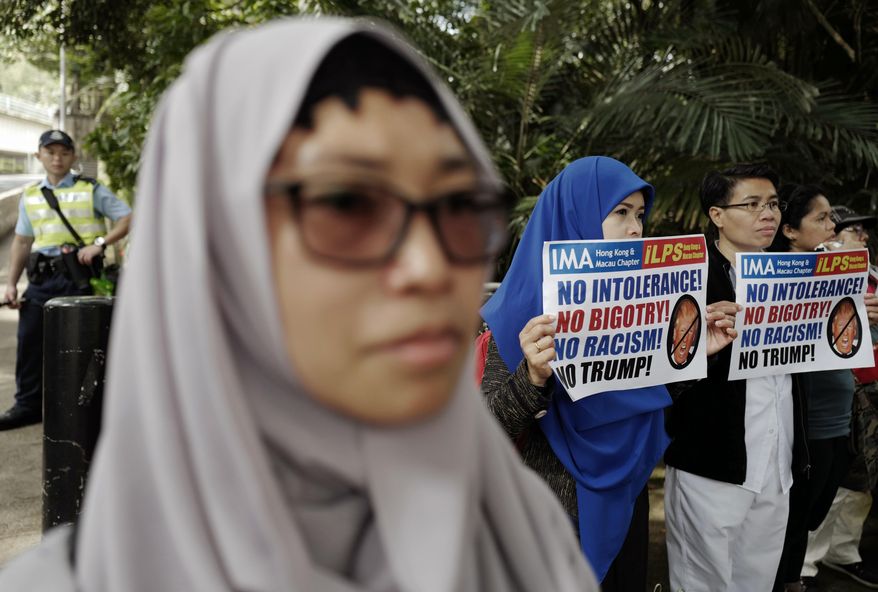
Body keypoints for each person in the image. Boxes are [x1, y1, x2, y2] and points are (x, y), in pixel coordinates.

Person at [0, 19, 597, 591]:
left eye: (458, 206)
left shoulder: (525, 539)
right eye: (345, 204)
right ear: (212, 247)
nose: (429, 265)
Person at [480, 156, 737, 591]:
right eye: (620, 213)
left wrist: (695, 354)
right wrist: (532, 378)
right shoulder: (514, 316)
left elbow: (644, 394)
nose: (636, 228)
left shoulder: (640, 309)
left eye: (639, 215)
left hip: (627, 499)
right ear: (575, 214)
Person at [664, 164, 810, 592]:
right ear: (717, 215)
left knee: (758, 580)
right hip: (710, 462)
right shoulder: (686, 277)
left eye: (773, 204)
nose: (769, 214)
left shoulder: (797, 275)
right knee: (702, 582)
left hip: (777, 459)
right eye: (752, 204)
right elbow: (661, 374)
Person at [0, 130, 132, 431]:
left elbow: (127, 217)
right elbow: (21, 242)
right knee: (30, 343)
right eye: (50, 152)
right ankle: (28, 405)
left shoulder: (91, 189)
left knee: (88, 345)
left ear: (73, 157)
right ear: (39, 156)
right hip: (41, 280)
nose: (57, 158)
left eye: (63, 152)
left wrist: (99, 242)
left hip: (80, 279)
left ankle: (92, 409)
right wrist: (11, 283)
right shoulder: (31, 196)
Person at [767, 184, 856, 592]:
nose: (832, 225)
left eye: (830, 217)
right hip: (810, 423)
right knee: (798, 513)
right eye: (820, 218)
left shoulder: (839, 271)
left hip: (841, 417)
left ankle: (792, 576)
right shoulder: (779, 280)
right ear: (789, 231)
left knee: (816, 511)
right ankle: (788, 581)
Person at [800, 204, 878, 591]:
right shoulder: (815, 271)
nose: (862, 237)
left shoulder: (873, 275)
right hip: (836, 393)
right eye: (853, 230)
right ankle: (805, 564)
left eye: (864, 231)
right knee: (825, 478)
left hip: (867, 392)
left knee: (859, 479)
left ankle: (844, 553)